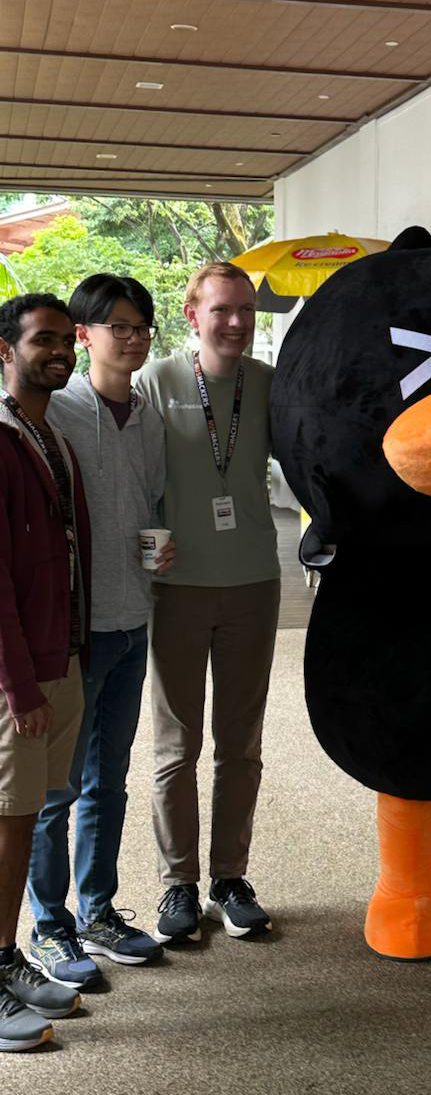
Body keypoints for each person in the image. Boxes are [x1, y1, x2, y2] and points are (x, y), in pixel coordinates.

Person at [25, 275, 173, 990]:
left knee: (107, 781)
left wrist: (159, 546)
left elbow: (151, 506)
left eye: (141, 323)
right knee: (54, 790)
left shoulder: (148, 416)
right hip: (74, 635)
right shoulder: (55, 415)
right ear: (85, 337)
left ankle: (98, 910)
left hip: (131, 621)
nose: (134, 335)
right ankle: (48, 927)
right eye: (117, 325)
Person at [137, 262, 280, 945]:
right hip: (178, 587)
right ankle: (177, 884)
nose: (237, 323)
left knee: (241, 743)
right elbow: (134, 480)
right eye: (222, 310)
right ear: (192, 314)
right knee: (176, 743)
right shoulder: (158, 381)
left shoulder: (269, 385)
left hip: (254, 580)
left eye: (246, 310)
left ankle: (229, 877)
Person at [0, 294, 91, 1049]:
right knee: (4, 819)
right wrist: (20, 684)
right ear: (6, 348)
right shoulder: (0, 438)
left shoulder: (50, 436)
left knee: (24, 816)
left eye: (65, 340)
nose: (58, 350)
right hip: (15, 673)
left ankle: (8, 956)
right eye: (42, 340)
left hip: (59, 655)